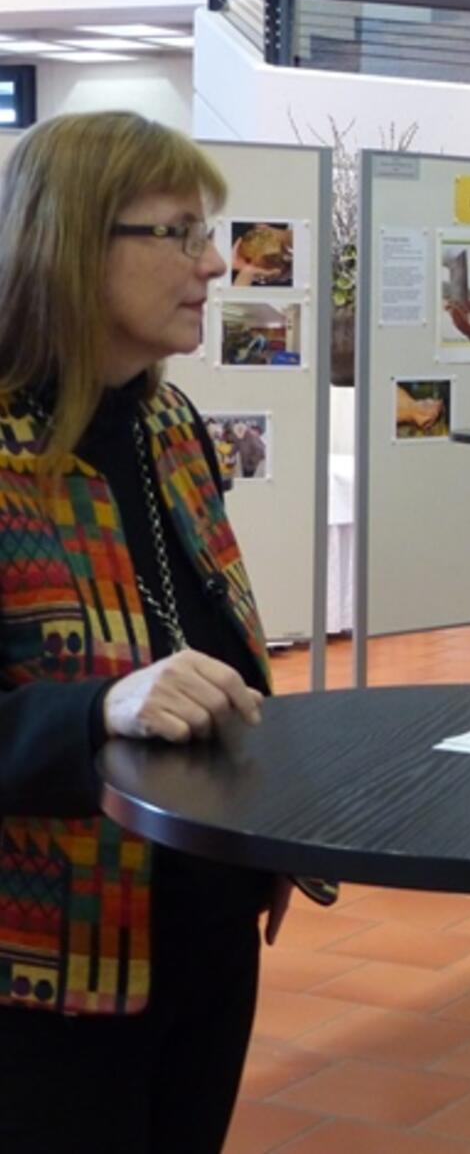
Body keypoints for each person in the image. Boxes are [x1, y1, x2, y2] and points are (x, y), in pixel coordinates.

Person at [0, 111, 334, 1154]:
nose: (216, 262)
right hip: (45, 970)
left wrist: (272, 824)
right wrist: (98, 708)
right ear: (75, 241)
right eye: (181, 232)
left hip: (201, 922)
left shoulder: (168, 427)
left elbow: (218, 644)